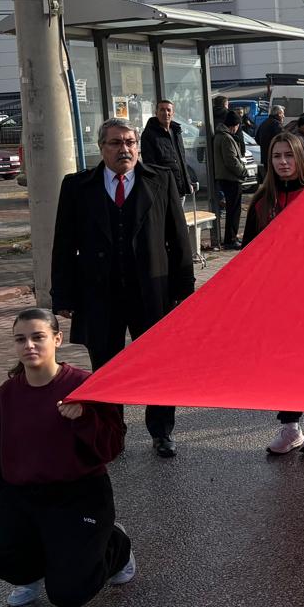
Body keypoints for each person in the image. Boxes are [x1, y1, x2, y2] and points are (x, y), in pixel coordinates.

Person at [0, 308, 135, 607]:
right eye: (20, 340)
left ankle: (116, 546)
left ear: (57, 339)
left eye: (38, 337)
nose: (29, 346)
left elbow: (113, 448)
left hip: (80, 496)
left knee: (67, 595)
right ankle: (32, 572)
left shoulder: (84, 386)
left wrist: (85, 418)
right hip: (23, 497)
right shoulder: (5, 397)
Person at [52, 118, 194, 458]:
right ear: (101, 148)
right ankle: (112, 432)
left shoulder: (160, 181)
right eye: (115, 143)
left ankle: (161, 431)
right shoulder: (77, 186)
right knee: (106, 366)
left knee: (158, 364)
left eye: (130, 142)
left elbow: (178, 241)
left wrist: (184, 293)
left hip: (151, 291)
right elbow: (63, 246)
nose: (124, 149)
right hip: (99, 294)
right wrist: (64, 296)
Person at [241, 134, 304, 456]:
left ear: (300, 158)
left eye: (288, 156)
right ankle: (290, 426)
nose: (282, 162)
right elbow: (248, 254)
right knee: (283, 362)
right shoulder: (262, 201)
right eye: (276, 156)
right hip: (276, 299)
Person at [210, 105, 248, 249]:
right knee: (234, 210)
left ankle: (230, 238)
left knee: (232, 209)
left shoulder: (222, 135)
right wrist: (243, 171)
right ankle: (231, 239)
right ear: (235, 125)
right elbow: (231, 160)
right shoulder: (226, 138)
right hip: (231, 178)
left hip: (226, 177)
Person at [140, 99, 192, 200]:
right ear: (156, 113)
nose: (166, 113)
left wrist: (187, 182)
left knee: (179, 215)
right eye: (162, 110)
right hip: (164, 190)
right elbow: (150, 164)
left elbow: (182, 160)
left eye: (168, 110)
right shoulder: (149, 134)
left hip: (180, 187)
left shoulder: (176, 132)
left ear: (173, 113)